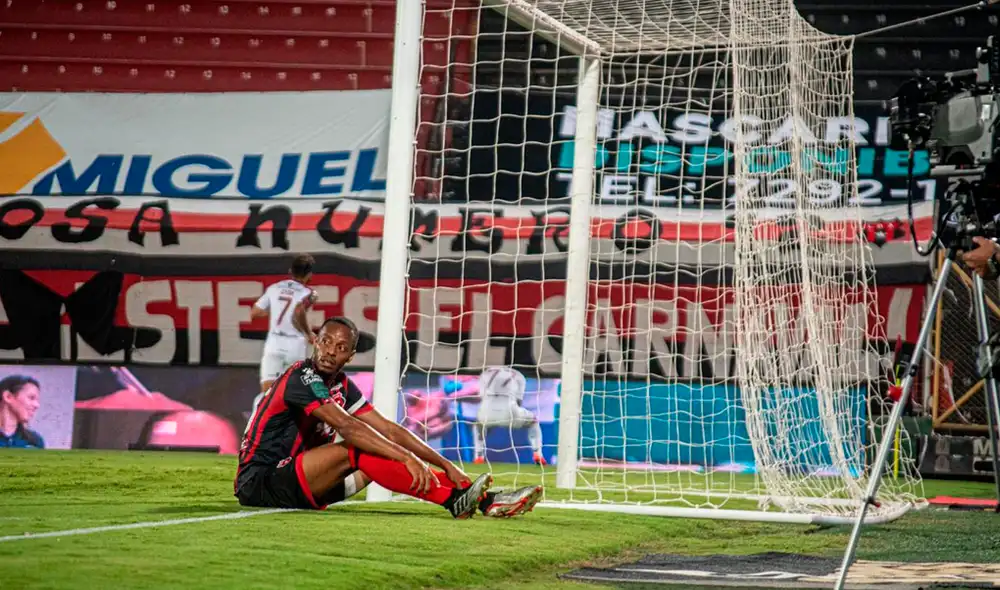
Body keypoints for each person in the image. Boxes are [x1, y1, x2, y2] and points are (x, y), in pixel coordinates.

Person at [235, 317, 544, 518]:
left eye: (341, 347)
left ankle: (484, 501)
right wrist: (408, 458)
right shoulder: (300, 377)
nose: (330, 351)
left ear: (350, 357)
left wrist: (446, 465)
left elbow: (388, 428)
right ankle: (454, 502)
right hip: (261, 480)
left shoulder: (342, 385)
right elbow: (348, 426)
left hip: (303, 482)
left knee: (377, 458)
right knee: (362, 448)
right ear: (315, 341)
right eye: (326, 341)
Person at [249, 253, 319, 415]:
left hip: (274, 342)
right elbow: (299, 310)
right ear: (309, 275)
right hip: (295, 344)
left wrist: (275, 312)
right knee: (294, 391)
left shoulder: (274, 288)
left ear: (290, 270)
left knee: (266, 393)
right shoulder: (309, 293)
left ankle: (257, 429)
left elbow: (255, 312)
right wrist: (309, 333)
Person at [472, 366, 546, 466]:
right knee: (533, 421)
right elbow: (519, 401)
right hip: (509, 411)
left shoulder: (485, 373)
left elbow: (481, 396)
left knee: (478, 425)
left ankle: (478, 456)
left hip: (486, 411)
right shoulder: (519, 375)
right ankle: (538, 454)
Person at [0, 375, 44, 449]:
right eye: (31, 398)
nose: (37, 405)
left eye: (37, 400)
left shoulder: (35, 442)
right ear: (8, 396)